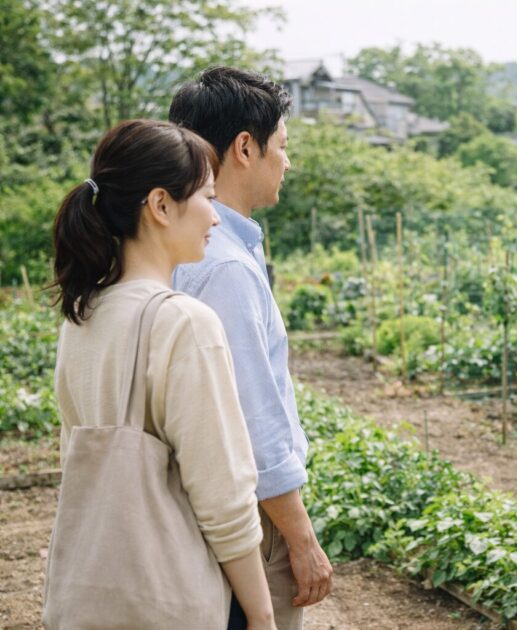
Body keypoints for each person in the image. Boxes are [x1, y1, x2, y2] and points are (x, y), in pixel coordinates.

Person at [50, 119, 275, 628]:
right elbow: (224, 500)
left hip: (96, 594)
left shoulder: (84, 316)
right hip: (171, 598)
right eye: (206, 197)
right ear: (160, 205)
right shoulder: (183, 322)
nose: (214, 217)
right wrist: (262, 616)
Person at [169, 66, 332, 630]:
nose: (287, 161)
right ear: (245, 147)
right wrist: (301, 537)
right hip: (252, 520)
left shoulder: (183, 251)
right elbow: (252, 419)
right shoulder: (225, 269)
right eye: (281, 147)